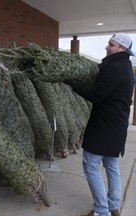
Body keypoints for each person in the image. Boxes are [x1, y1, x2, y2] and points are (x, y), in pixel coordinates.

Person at [65, 33, 135, 216]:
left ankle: (102, 211)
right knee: (111, 166)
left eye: (111, 44)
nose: (106, 47)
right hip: (117, 126)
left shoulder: (114, 68)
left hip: (104, 126)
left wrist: (72, 82)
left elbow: (96, 94)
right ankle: (113, 206)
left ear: (122, 48)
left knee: (90, 165)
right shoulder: (126, 66)